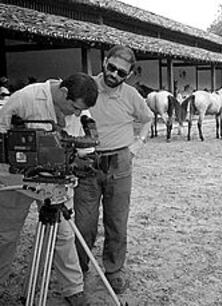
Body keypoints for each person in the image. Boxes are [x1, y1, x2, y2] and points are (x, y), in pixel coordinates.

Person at [0, 72, 98, 305]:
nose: (77, 114)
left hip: (57, 182)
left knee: (64, 235)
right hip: (17, 180)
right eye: (74, 108)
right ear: (63, 93)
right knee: (5, 234)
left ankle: (73, 289)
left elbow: (82, 146)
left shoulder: (80, 109)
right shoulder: (24, 98)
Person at [73, 45, 153, 294]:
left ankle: (114, 269)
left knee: (116, 220)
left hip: (120, 163)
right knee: (84, 222)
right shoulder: (86, 87)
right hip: (87, 164)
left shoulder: (131, 96)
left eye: (121, 72)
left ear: (128, 75)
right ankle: (78, 269)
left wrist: (135, 147)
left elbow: (148, 118)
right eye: (111, 68)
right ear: (105, 62)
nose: (114, 75)